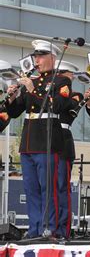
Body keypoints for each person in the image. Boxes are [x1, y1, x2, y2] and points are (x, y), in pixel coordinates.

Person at [5, 40, 72, 238]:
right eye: (35, 56)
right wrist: (12, 98)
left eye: (41, 56)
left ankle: (50, 228)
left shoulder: (61, 81)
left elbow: (57, 105)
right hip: (29, 140)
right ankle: (34, 228)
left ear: (52, 58)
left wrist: (33, 89)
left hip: (47, 139)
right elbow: (16, 111)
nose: (37, 60)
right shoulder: (30, 80)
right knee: (31, 188)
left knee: (48, 188)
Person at [55, 61, 83, 238]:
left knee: (61, 186)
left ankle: (63, 228)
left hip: (63, 141)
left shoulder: (75, 95)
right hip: (46, 139)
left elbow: (64, 106)